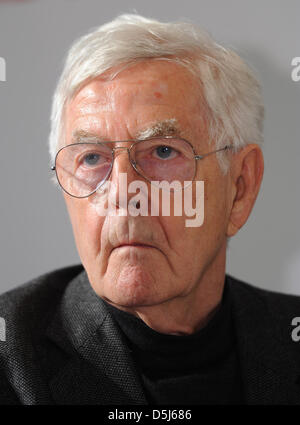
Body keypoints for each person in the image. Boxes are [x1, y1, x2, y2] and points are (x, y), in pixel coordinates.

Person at [1, 14, 300, 405]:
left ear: (240, 187)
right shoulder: (11, 359)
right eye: (92, 158)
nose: (123, 192)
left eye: (163, 152)